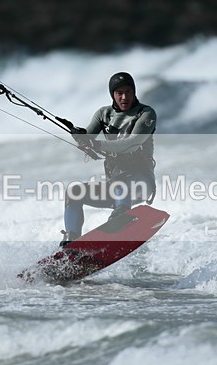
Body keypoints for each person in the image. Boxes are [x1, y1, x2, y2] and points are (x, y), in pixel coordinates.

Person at [61, 71, 157, 247]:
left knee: (121, 183)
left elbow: (132, 144)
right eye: (119, 93)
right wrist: (81, 138)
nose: (124, 96)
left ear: (134, 91)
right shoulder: (103, 114)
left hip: (141, 183)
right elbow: (88, 140)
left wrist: (96, 144)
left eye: (128, 91)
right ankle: (70, 243)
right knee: (73, 192)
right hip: (116, 189)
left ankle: (119, 222)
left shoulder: (146, 113)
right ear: (112, 94)